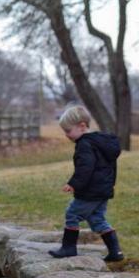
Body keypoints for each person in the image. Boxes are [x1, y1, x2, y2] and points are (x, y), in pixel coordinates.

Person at [48, 105, 124, 262]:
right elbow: (111, 167)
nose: (66, 135)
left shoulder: (85, 144)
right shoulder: (101, 143)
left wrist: (73, 183)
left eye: (68, 131)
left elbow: (85, 168)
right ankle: (115, 252)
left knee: (72, 214)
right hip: (103, 190)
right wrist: (111, 185)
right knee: (97, 219)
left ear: (82, 126)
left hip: (91, 191)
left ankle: (68, 248)